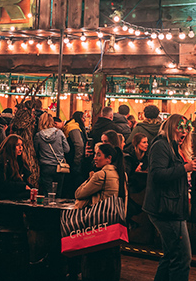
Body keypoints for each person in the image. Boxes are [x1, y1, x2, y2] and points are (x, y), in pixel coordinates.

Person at [143, 114, 196, 281]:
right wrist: (185, 168)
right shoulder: (161, 145)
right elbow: (157, 174)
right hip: (166, 209)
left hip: (173, 206)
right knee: (182, 257)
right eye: (180, 128)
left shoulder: (175, 147)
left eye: (187, 129)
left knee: (171, 256)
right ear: (171, 127)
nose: (184, 132)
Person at [74, 142, 127, 281]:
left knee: (93, 263)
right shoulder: (121, 174)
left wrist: (90, 177)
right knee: (110, 262)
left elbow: (79, 193)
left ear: (108, 158)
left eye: (99, 155)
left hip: (98, 225)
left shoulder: (100, 175)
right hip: (115, 224)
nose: (95, 158)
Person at [0, 134, 31, 268]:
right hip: (1, 203)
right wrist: (24, 187)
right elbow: (1, 184)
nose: (21, 148)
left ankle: (12, 262)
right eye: (18, 145)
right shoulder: (1, 162)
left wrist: (29, 188)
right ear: (11, 147)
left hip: (13, 202)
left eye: (22, 145)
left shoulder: (19, 161)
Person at [34, 110, 70, 196]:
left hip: (45, 166)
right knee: (58, 193)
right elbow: (67, 149)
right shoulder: (60, 133)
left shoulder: (38, 136)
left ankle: (48, 208)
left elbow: (35, 151)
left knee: (47, 193)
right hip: (59, 166)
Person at [63, 111, 87, 195]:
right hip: (74, 159)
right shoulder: (74, 128)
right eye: (83, 118)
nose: (84, 120)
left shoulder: (71, 126)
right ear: (79, 118)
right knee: (76, 183)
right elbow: (79, 145)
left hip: (71, 158)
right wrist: (77, 160)